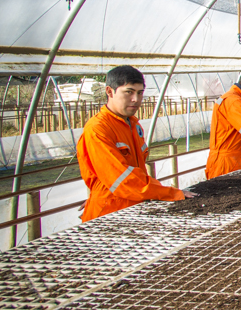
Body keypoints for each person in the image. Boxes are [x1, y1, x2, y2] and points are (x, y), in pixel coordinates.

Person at [77, 65, 192, 222]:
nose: (136, 99)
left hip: (132, 206)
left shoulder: (133, 124)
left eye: (140, 93)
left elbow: (134, 171)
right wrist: (169, 193)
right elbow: (122, 180)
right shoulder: (98, 129)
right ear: (109, 92)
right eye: (129, 92)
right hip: (109, 215)